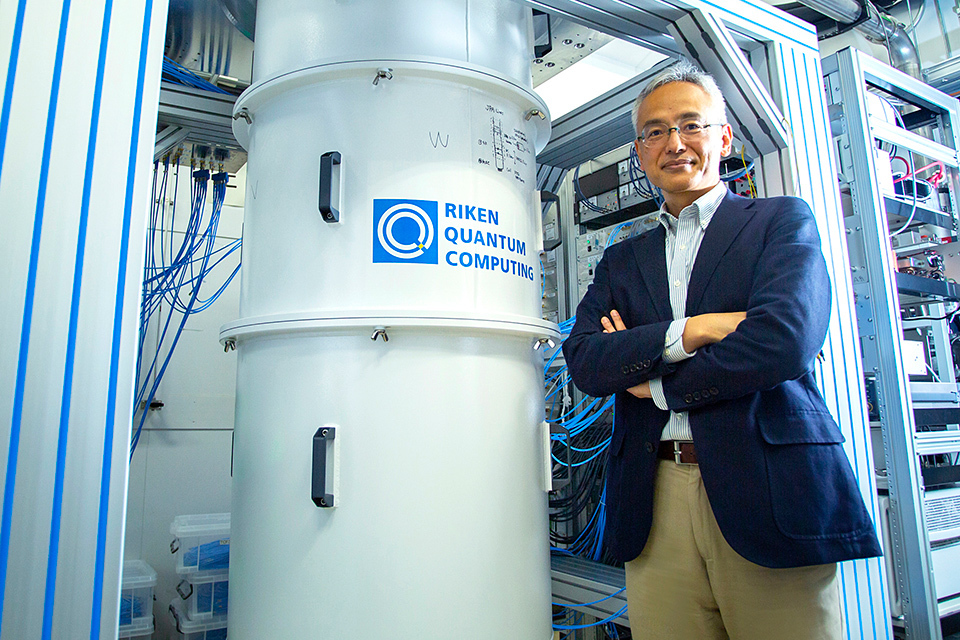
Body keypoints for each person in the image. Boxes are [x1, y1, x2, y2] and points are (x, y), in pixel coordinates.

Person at [562, 61, 882, 639]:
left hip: (766, 486)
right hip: (654, 500)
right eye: (655, 131)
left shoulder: (780, 221)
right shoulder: (622, 260)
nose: (674, 143)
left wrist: (654, 381)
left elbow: (784, 341)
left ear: (724, 137)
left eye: (691, 124)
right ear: (640, 152)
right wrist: (696, 330)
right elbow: (586, 360)